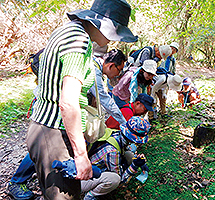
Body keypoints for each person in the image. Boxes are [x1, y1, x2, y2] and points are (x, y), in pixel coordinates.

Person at [25, 0, 138, 199]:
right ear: (103, 24)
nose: (112, 41)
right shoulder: (79, 40)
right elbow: (68, 101)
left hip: (42, 128)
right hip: (53, 131)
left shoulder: (67, 31)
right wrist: (80, 155)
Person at [8, 48, 130, 199]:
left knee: (49, 147)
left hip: (58, 108)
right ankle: (16, 182)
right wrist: (124, 122)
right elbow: (104, 100)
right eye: (119, 69)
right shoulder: (92, 68)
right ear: (111, 65)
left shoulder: (94, 66)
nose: (118, 74)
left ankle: (44, 176)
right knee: (45, 145)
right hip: (53, 109)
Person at [81, 116, 151, 199]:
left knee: (130, 154)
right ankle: (90, 196)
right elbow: (120, 180)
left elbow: (128, 150)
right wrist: (134, 166)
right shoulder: (113, 151)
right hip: (84, 179)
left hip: (93, 168)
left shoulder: (117, 134)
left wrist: (137, 159)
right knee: (114, 179)